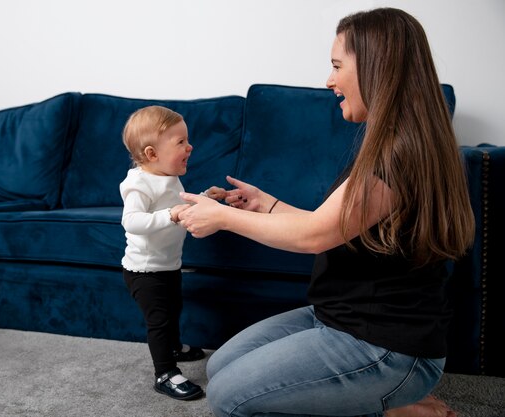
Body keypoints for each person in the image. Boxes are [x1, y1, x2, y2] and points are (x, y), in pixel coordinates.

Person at [178, 7, 473, 417]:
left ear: (376, 67)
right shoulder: (392, 143)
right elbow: (334, 226)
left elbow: (315, 235)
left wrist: (223, 217)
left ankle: (396, 406)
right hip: (338, 318)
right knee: (221, 366)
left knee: (229, 398)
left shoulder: (400, 156)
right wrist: (269, 205)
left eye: (336, 66)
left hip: (388, 348)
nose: (329, 81)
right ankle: (382, 401)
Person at [120, 105, 223, 401]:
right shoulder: (138, 184)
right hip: (143, 271)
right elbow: (132, 221)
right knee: (160, 321)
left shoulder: (169, 175)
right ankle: (165, 372)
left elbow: (179, 206)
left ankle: (174, 346)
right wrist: (171, 215)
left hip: (168, 265)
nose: (190, 146)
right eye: (181, 142)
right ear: (152, 154)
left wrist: (204, 198)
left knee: (174, 308)